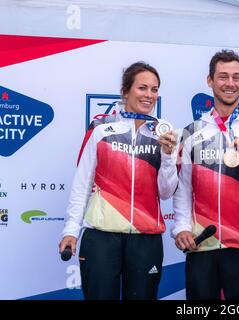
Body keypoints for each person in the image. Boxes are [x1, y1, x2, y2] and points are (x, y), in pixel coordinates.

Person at [58, 62, 178, 300]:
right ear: (125, 91)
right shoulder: (101, 129)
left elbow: (165, 192)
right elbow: (82, 184)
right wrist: (71, 230)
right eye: (142, 88)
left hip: (146, 239)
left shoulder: (163, 134)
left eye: (154, 90)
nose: (149, 95)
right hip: (102, 236)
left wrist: (167, 156)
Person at [172, 49, 239, 300]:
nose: (230, 84)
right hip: (202, 243)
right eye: (223, 77)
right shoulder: (190, 132)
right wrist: (181, 229)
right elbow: (183, 189)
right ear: (210, 81)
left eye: (236, 77)